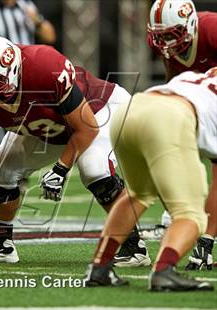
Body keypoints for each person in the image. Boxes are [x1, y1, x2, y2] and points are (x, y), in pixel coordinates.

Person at [0, 36, 150, 267]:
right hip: (49, 124)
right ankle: (2, 245)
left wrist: (60, 169)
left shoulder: (44, 66)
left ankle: (134, 247)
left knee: (94, 169)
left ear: (13, 70)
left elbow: (86, 128)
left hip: (99, 109)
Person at [84, 68, 216, 292]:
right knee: (191, 215)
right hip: (171, 118)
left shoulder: (199, 77)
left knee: (138, 194)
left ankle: (99, 267)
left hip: (132, 109)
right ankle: (163, 271)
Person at [148, 0, 217, 270]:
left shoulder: (211, 29)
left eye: (171, 36)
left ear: (190, 26)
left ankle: (207, 238)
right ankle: (179, 216)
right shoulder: (167, 40)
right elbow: (173, 78)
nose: (166, 43)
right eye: (160, 36)